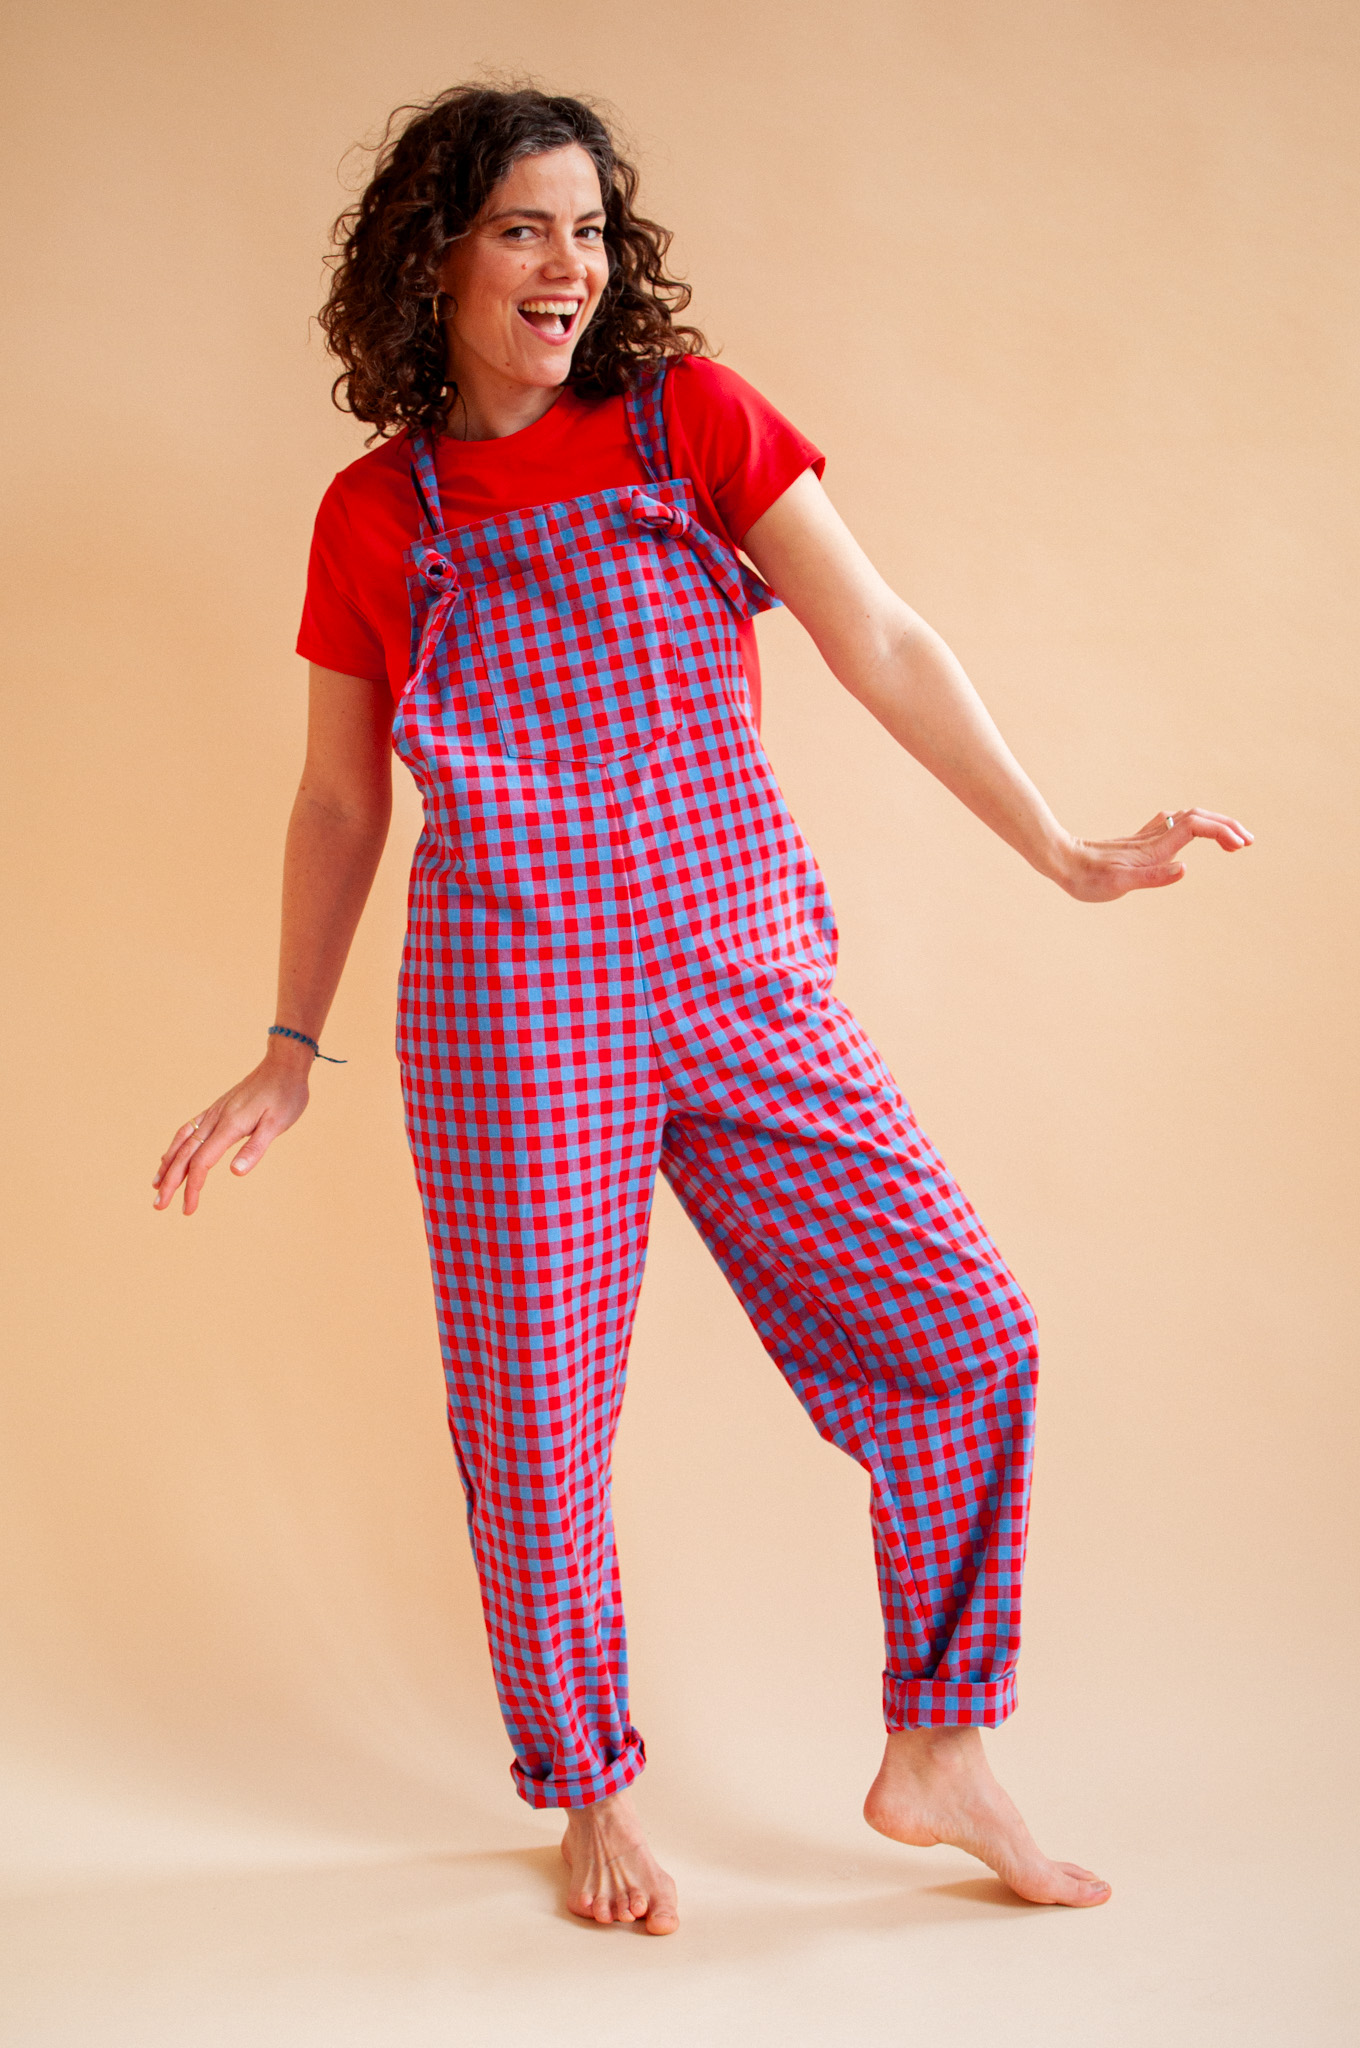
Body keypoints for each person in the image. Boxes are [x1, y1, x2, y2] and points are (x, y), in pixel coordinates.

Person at [152, 85, 1251, 1936]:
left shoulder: (692, 423)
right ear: (434, 257)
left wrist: (1065, 852)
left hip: (740, 978)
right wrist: (287, 1048)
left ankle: (940, 1744)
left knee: (971, 1336)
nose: (566, 266)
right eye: (522, 228)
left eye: (587, 230)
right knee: (534, 1425)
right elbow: (340, 800)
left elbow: (882, 639)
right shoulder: (377, 514)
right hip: (511, 1013)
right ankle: (588, 1790)